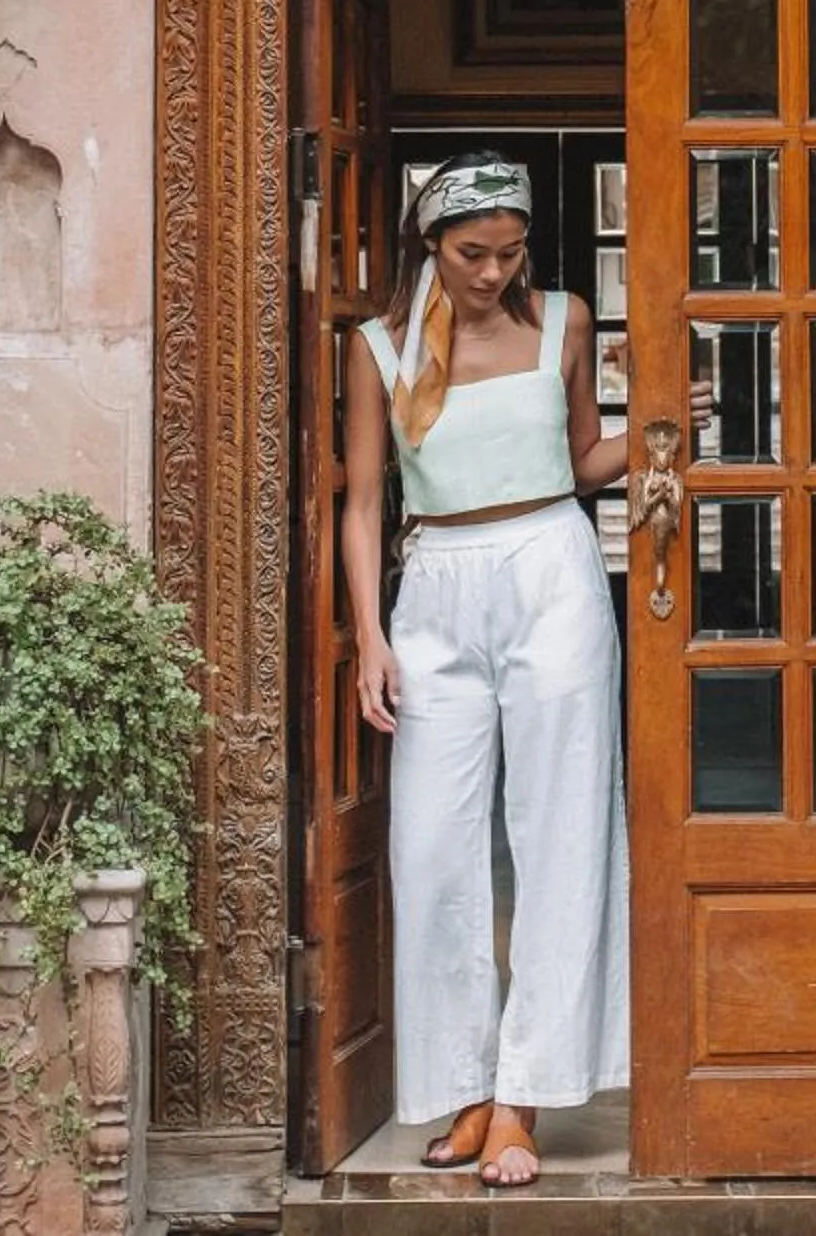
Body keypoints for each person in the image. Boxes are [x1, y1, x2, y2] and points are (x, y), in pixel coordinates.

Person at [343, 151, 632, 1189]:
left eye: (509, 253)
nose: (493, 272)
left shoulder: (562, 319)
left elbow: (584, 461)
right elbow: (364, 503)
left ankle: (522, 1100)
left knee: (558, 829)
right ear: (433, 244)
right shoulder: (378, 347)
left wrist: (662, 435)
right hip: (436, 582)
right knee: (431, 844)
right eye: (472, 253)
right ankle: (464, 1086)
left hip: (551, 563)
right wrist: (371, 636)